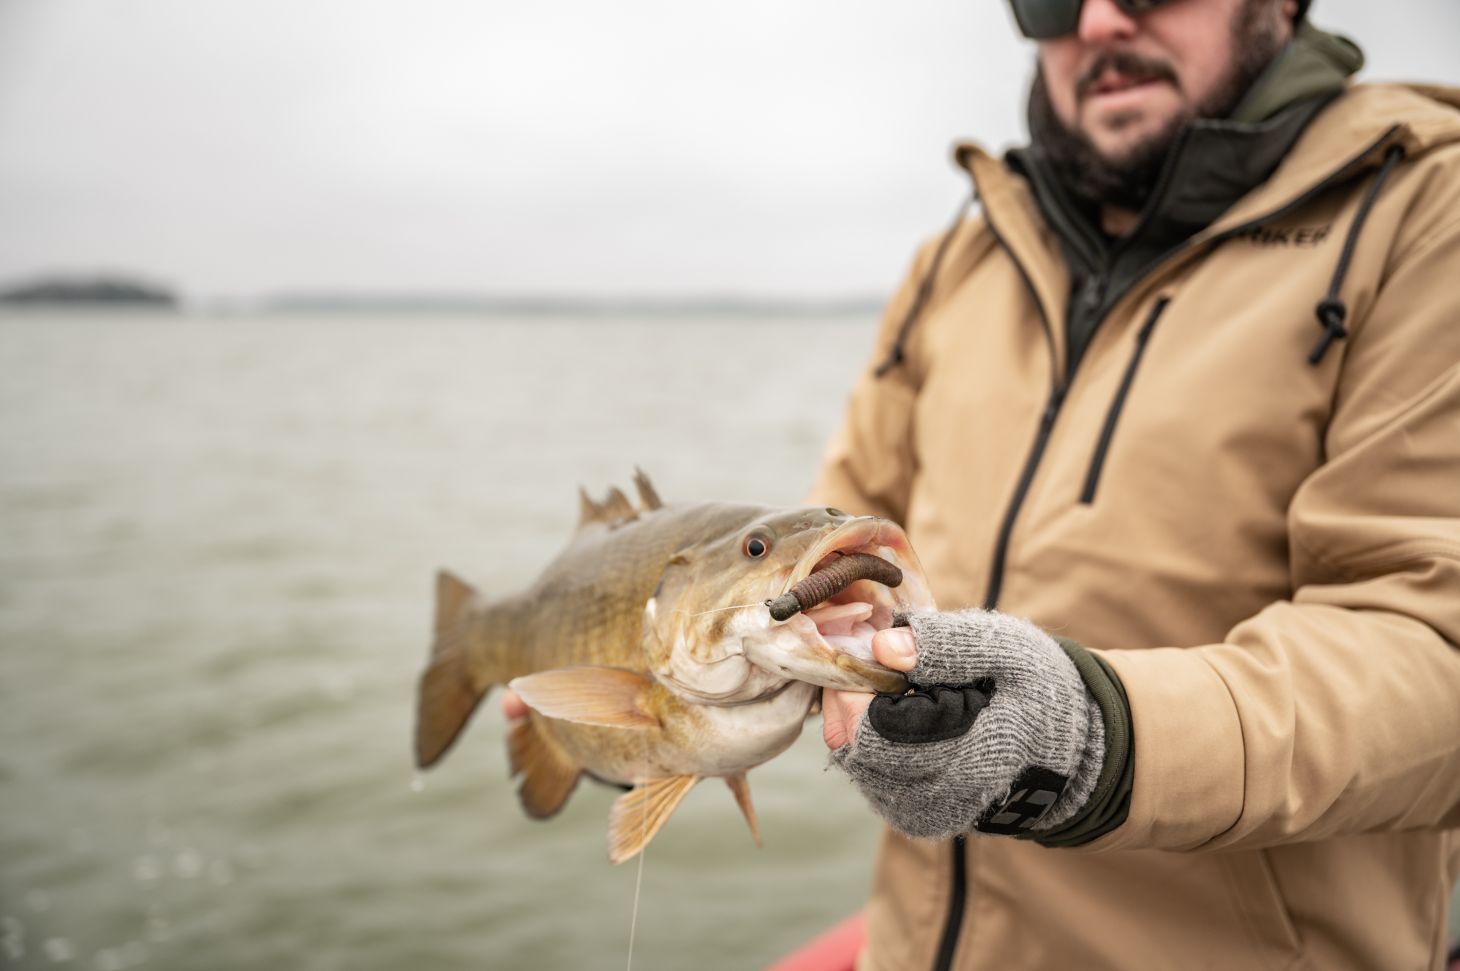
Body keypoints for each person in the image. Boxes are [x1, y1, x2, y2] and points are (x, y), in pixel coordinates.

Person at [812, 0, 1460, 968]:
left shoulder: (1425, 207)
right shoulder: (960, 254)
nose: (1102, 21)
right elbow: (835, 562)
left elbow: (1433, 644)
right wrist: (673, 698)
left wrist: (1095, 737)